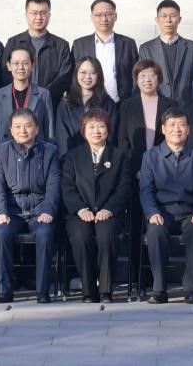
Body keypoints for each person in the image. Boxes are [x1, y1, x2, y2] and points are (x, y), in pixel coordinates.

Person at [139, 109, 193, 304]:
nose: (177, 129)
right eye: (172, 125)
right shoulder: (150, 156)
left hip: (190, 213)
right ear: (163, 129)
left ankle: (191, 289)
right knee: (155, 232)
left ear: (188, 129)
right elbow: (146, 189)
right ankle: (159, 289)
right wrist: (152, 212)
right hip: (162, 213)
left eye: (181, 125)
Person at [0, 109, 61, 303]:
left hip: (39, 211)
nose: (23, 130)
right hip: (12, 212)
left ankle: (42, 291)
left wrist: (48, 210)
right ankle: (4, 290)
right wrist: (0, 212)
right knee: (1, 234)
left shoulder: (50, 151)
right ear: (11, 130)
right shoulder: (1, 151)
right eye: (18, 126)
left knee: (45, 234)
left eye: (28, 126)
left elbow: (54, 186)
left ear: (37, 129)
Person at [62, 109, 131, 302]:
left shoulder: (119, 155)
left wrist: (109, 209)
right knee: (81, 236)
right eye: (91, 127)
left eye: (101, 126)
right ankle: (88, 289)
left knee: (106, 235)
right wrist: (80, 209)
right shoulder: (73, 156)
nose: (96, 131)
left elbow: (124, 187)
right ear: (83, 131)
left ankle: (106, 289)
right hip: (79, 213)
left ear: (108, 130)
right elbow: (67, 187)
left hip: (109, 212)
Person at [4, 0, 73, 104]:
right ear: (26, 15)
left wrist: (43, 95)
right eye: (34, 13)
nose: (39, 17)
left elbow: (64, 78)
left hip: (51, 103)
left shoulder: (61, 45)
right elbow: (6, 73)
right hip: (18, 102)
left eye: (43, 13)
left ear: (49, 15)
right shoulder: (14, 42)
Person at [115, 59, 179, 174]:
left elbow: (174, 137)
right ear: (136, 80)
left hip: (164, 167)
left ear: (159, 78)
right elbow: (122, 139)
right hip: (134, 168)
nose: (147, 80)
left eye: (152, 75)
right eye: (142, 76)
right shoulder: (127, 105)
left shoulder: (170, 105)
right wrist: (135, 168)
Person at [72, 0, 139, 103]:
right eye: (98, 15)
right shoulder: (79, 44)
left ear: (115, 16)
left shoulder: (128, 44)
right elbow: (73, 76)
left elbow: (136, 75)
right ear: (92, 17)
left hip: (121, 104)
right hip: (89, 104)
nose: (104, 19)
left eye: (108, 14)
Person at [0, 43, 55, 148]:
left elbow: (49, 132)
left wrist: (50, 154)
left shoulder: (43, 94)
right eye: (16, 63)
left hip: (36, 152)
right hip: (5, 153)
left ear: (32, 65)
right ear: (9, 66)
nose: (21, 67)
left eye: (25, 63)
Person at [138, 0, 193, 106]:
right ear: (157, 20)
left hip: (186, 107)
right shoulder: (146, 49)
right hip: (157, 106)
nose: (168, 20)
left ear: (179, 19)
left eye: (172, 16)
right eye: (164, 16)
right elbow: (143, 80)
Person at [54, 56, 118, 155]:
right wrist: (68, 161)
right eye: (83, 72)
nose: (87, 77)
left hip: (102, 158)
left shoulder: (108, 103)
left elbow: (111, 135)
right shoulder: (65, 103)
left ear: (99, 75)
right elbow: (62, 138)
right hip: (72, 159)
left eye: (93, 73)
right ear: (76, 74)